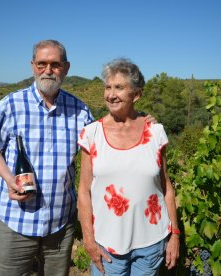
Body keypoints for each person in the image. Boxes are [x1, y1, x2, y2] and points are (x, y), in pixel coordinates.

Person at [0, 40, 94, 276]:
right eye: (42, 64)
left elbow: (101, 147)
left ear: (66, 67)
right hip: (15, 221)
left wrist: (137, 122)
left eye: (55, 64)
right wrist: (9, 178)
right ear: (33, 65)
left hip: (60, 227)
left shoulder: (80, 110)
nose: (48, 70)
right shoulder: (11, 105)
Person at [77, 58, 180, 275]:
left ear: (137, 94)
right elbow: (84, 191)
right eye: (108, 87)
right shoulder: (91, 134)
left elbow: (166, 186)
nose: (111, 94)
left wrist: (175, 234)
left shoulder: (155, 132)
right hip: (107, 245)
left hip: (152, 243)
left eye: (119, 88)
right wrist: (88, 239)